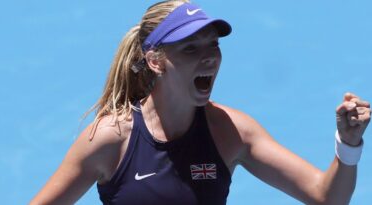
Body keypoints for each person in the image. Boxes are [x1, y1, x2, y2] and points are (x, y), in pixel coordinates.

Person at [30, 0, 371, 204]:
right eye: (191, 49)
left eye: (213, 45)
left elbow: (327, 197)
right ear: (155, 61)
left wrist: (349, 144)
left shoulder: (232, 131)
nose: (209, 58)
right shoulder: (110, 139)